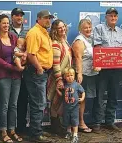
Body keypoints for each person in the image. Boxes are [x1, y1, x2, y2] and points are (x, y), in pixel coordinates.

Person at [0, 14, 23, 143]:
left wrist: (21, 65)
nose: (6, 25)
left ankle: (12, 130)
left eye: (7, 23)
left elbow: (19, 51)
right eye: (3, 23)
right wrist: (11, 67)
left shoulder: (13, 37)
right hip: (3, 75)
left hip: (16, 76)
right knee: (4, 105)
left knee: (13, 105)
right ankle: (3, 131)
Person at [92, 7, 122, 133]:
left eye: (115, 16)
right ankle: (97, 123)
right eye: (110, 15)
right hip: (103, 69)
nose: (113, 18)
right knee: (100, 96)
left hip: (117, 70)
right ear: (105, 17)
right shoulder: (99, 28)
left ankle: (110, 122)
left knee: (114, 95)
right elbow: (97, 46)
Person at [24, 10, 54, 143]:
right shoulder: (34, 32)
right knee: (38, 103)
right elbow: (31, 54)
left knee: (40, 102)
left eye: (50, 18)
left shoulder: (43, 32)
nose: (49, 20)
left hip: (42, 73)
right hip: (36, 72)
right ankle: (36, 134)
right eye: (46, 18)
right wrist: (40, 68)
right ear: (39, 19)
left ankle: (37, 130)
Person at [72, 19, 100, 133]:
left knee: (85, 99)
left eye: (89, 27)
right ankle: (80, 123)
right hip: (83, 75)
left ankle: (80, 121)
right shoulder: (79, 41)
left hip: (91, 74)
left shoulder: (90, 39)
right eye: (85, 28)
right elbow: (78, 58)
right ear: (80, 29)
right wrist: (79, 74)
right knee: (81, 99)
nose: (88, 29)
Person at [47, 19, 72, 135]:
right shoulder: (55, 44)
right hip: (58, 78)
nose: (62, 29)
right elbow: (55, 64)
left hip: (65, 77)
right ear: (55, 31)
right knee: (55, 102)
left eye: (63, 27)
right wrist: (59, 80)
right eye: (59, 28)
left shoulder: (65, 42)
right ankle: (55, 127)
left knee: (60, 101)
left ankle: (58, 126)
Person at [10, 8, 29, 134]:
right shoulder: (6, 30)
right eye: (16, 15)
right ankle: (9, 128)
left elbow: (32, 48)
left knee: (23, 99)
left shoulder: (28, 31)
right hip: (10, 71)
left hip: (26, 71)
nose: (19, 17)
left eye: (21, 15)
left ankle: (21, 128)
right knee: (11, 102)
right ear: (12, 17)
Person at [61, 67, 85, 143]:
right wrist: (57, 90)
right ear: (64, 77)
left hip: (74, 107)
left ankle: (75, 135)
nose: (70, 77)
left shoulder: (77, 85)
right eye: (67, 76)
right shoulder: (64, 85)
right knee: (67, 121)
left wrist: (82, 98)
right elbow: (61, 95)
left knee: (75, 121)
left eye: (71, 75)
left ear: (74, 75)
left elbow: (83, 91)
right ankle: (68, 132)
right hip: (66, 108)